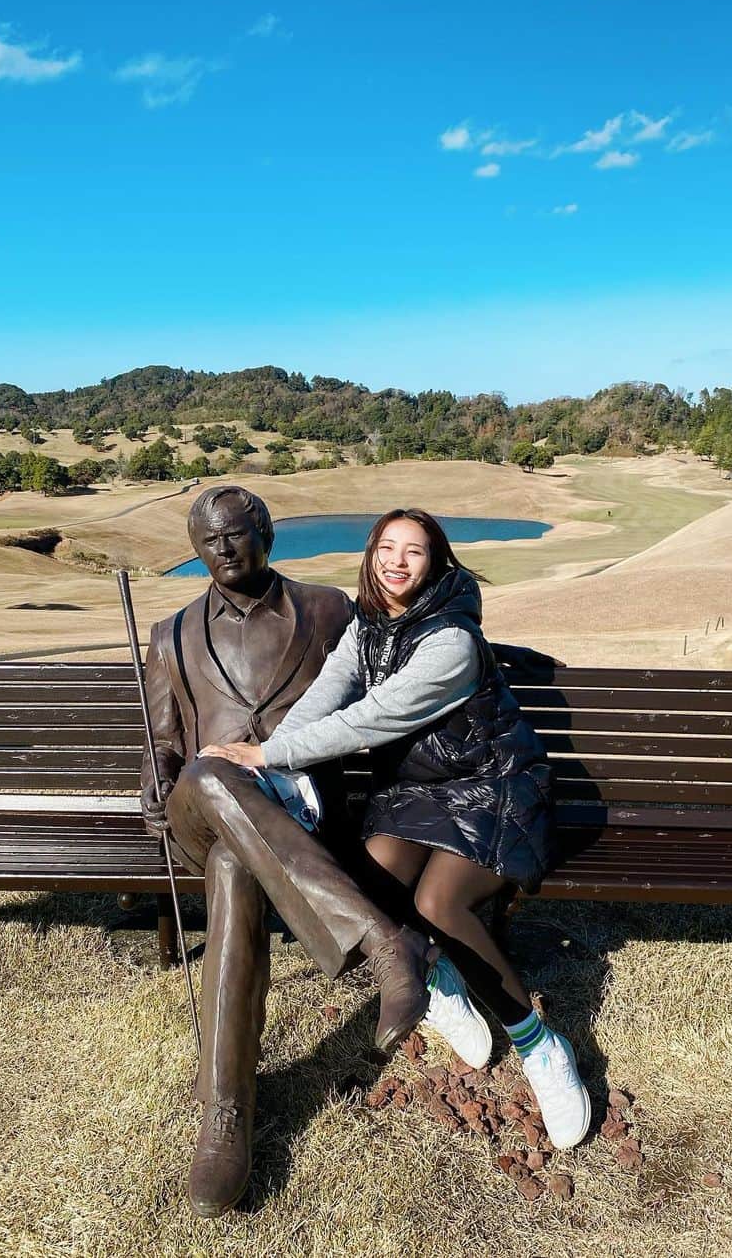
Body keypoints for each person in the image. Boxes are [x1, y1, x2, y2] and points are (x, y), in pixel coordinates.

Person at [204, 508, 591, 1151]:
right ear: (372, 553)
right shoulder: (368, 627)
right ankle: (437, 979)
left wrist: (269, 757)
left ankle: (539, 1043)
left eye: (415, 551)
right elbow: (328, 696)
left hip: (493, 786)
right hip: (417, 792)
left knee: (438, 904)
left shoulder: (452, 642)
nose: (398, 561)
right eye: (388, 547)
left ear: (437, 561)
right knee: (367, 877)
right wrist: (269, 751)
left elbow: (371, 720)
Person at [142, 486, 438, 1219]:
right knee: (214, 772)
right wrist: (154, 778)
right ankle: (378, 936)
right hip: (200, 812)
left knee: (236, 866)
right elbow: (165, 749)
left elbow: (387, 681)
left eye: (236, 535)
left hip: (296, 820)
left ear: (266, 533)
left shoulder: (328, 609)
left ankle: (224, 1112)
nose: (221, 550)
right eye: (206, 540)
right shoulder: (169, 633)